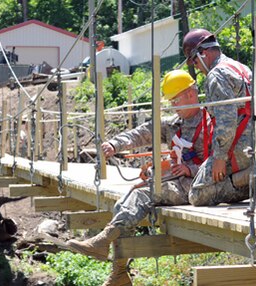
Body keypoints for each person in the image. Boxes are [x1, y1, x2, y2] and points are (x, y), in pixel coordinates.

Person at [66, 70, 212, 286]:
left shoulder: (211, 124)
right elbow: (142, 133)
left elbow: (222, 159)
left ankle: (106, 245)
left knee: (143, 194)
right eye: (170, 101)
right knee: (124, 202)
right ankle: (119, 272)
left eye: (175, 100)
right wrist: (116, 144)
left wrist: (191, 169)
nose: (172, 105)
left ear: (191, 94)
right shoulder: (174, 124)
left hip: (198, 185)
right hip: (176, 180)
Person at [182, 28, 256, 206]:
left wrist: (220, 157)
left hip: (239, 151)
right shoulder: (242, 68)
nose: (197, 68)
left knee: (198, 194)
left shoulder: (216, 76)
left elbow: (226, 120)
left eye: (195, 62)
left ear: (203, 54)